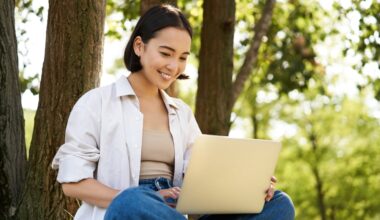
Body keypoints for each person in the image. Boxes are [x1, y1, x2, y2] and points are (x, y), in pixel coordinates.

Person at [52, 4, 295, 220]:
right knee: (131, 200)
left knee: (279, 203)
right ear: (139, 46)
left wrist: (250, 185)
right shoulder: (96, 103)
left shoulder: (182, 114)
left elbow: (203, 179)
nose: (173, 66)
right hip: (127, 211)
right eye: (166, 54)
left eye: (182, 58)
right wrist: (147, 197)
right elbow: (73, 184)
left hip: (170, 212)